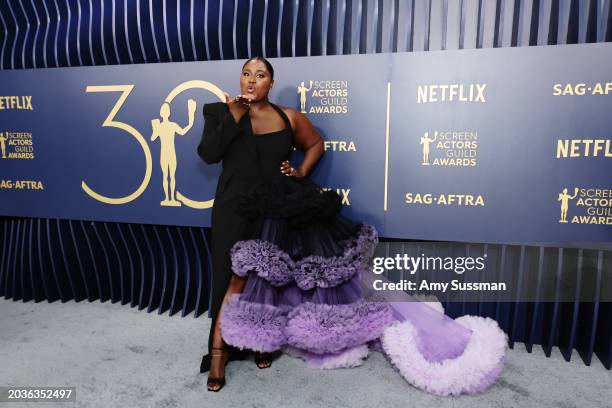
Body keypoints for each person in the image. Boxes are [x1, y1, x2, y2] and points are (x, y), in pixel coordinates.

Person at [197, 56, 508, 395]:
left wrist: (301, 172)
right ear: (240, 79)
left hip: (275, 208)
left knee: (268, 278)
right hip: (233, 207)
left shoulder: (290, 117)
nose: (251, 80)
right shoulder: (220, 112)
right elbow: (209, 153)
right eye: (246, 74)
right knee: (229, 279)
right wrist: (234, 116)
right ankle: (218, 354)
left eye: (260, 75)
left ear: (271, 83)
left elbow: (315, 144)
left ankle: (259, 344)